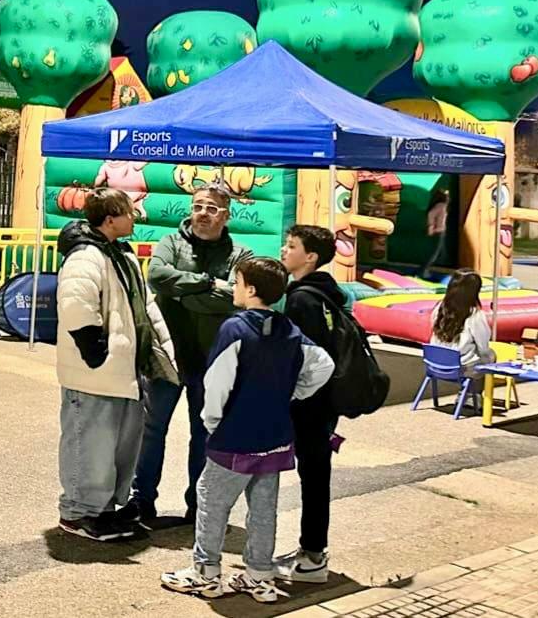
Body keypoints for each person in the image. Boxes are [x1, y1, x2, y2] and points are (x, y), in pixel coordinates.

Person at [161, 257, 334, 604]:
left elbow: (217, 384)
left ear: (251, 289)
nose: (234, 288)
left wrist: (213, 423)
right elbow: (323, 365)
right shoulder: (288, 329)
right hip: (276, 435)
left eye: (237, 282)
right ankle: (259, 576)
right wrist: (293, 393)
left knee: (211, 500)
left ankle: (206, 574)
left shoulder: (234, 329)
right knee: (264, 508)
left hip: (236, 435)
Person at [55, 188, 175, 541]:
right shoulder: (85, 257)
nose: (135, 217)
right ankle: (78, 512)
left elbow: (144, 305)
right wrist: (94, 349)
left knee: (117, 446)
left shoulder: (121, 254)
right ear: (110, 219)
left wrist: (161, 346)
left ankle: (104, 508)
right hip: (96, 373)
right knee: (89, 443)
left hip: (124, 371)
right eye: (129, 212)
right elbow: (76, 303)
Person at [128, 185, 249, 526]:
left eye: (211, 208)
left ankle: (200, 505)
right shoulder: (170, 242)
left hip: (213, 360)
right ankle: (142, 501)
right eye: (198, 206)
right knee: (152, 430)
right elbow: (157, 277)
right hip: (167, 355)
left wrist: (182, 293)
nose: (202, 214)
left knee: (205, 433)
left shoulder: (241, 254)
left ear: (226, 215)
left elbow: (235, 298)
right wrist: (209, 284)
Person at [276, 225, 345, 583]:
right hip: (325, 403)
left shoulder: (303, 300)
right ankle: (311, 549)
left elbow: (304, 357)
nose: (284, 250)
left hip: (310, 404)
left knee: (314, 478)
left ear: (311, 257)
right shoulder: (327, 293)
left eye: (291, 246)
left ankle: (314, 556)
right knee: (315, 476)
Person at [429, 269, 496, 377]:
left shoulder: (439, 308)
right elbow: (483, 347)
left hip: (434, 363)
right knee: (491, 356)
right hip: (460, 367)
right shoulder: (475, 315)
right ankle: (478, 388)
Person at [420, 189, 450, 280]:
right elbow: (431, 214)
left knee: (439, 253)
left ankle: (426, 270)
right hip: (438, 232)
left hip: (440, 231)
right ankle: (423, 271)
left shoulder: (442, 205)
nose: (448, 197)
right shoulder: (441, 205)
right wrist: (431, 227)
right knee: (433, 254)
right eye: (447, 196)